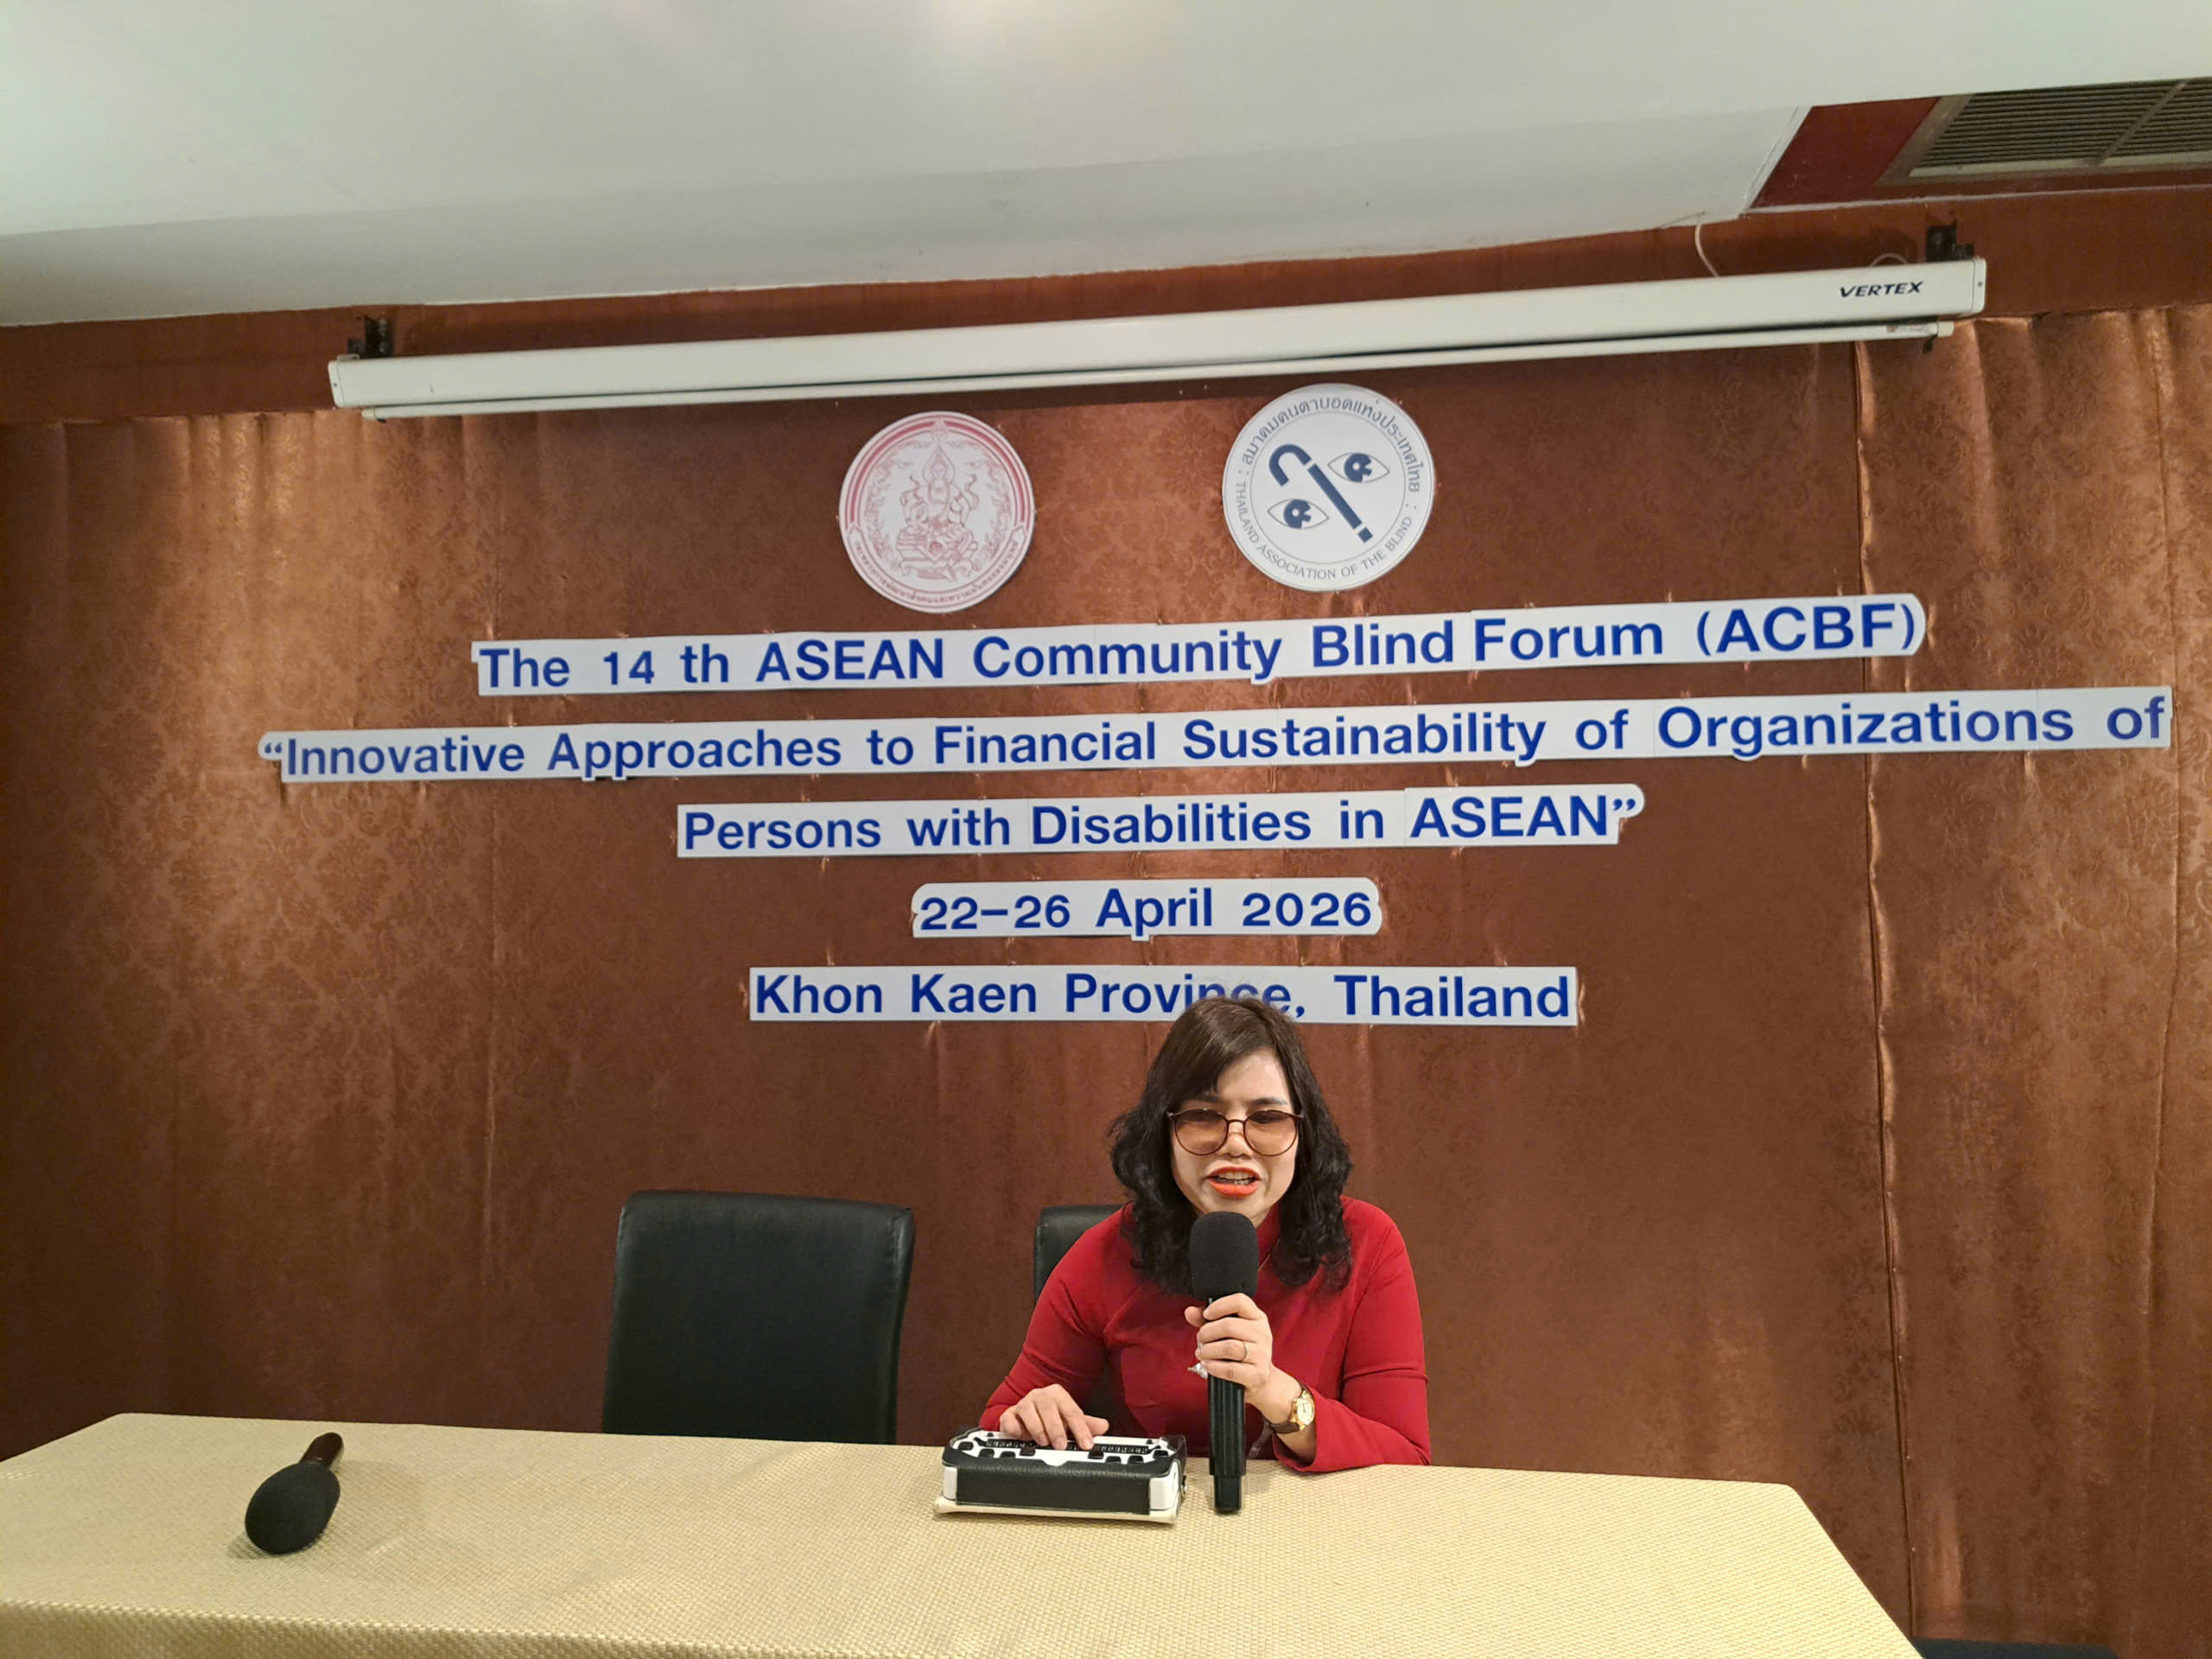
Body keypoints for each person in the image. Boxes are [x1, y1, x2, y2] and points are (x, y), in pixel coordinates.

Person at [982, 996, 1430, 1471]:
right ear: (1163, 1132)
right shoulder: (1105, 1253)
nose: (1235, 1144)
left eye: (1266, 1118)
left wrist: (1275, 1392)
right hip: (1157, 1508)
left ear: (1303, 1134)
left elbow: (1406, 1456)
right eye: (1203, 1116)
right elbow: (998, 1423)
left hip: (1315, 1514)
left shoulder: (1366, 1242)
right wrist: (1030, 1420)